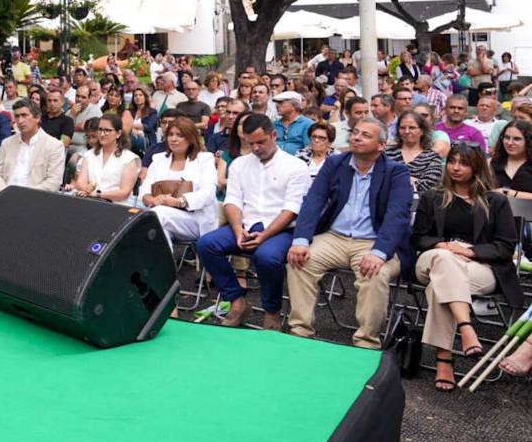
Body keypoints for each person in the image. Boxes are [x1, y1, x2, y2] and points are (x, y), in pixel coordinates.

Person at [286, 119, 412, 348]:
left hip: (374, 241)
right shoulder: (336, 163)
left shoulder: (397, 172)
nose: (356, 137)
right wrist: (301, 240)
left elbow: (398, 216)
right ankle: (300, 331)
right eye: (355, 133)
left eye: (365, 135)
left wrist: (379, 252)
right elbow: (313, 200)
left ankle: (366, 341)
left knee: (375, 273)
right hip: (335, 237)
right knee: (299, 260)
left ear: (382, 145)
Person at [412, 145, 525, 390]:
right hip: (433, 259)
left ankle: (444, 360)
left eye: (463, 163)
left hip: (480, 266)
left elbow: (506, 246)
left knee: (438, 287)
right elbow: (418, 237)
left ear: (476, 168)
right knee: (444, 261)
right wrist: (443, 245)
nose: (455, 168)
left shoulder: (495, 201)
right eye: (452, 161)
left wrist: (469, 251)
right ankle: (466, 327)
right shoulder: (432, 196)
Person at [196, 114, 311, 330]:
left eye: (261, 142)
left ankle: (272, 312)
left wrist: (264, 236)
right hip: (246, 224)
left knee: (266, 257)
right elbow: (232, 201)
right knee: (206, 244)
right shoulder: (239, 164)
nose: (256, 148)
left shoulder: (296, 166)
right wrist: (238, 229)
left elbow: (292, 209)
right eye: (251, 143)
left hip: (281, 229)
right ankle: (237, 301)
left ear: (274, 135)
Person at [139, 116, 218, 246]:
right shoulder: (158, 160)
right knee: (158, 228)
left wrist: (179, 202)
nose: (173, 139)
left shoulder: (204, 159)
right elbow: (144, 190)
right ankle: (162, 265)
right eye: (170, 134)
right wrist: (153, 200)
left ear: (190, 138)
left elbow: (208, 194)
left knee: (155, 216)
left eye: (180, 135)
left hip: (196, 219)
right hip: (163, 216)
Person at [67, 113, 140, 205]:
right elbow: (80, 182)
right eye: (100, 129)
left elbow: (124, 193)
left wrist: (97, 194)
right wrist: (86, 188)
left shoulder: (129, 159)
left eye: (107, 130)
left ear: (118, 134)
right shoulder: (89, 155)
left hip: (117, 207)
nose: (102, 134)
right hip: (90, 202)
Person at [386, 112, 444, 195]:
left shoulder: (432, 157)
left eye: (412, 128)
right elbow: (379, 178)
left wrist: (395, 180)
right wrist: (411, 179)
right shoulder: (387, 153)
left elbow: (428, 185)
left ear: (422, 131)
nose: (406, 131)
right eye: (402, 128)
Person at [490, 120, 532, 201]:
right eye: (506, 137)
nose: (509, 143)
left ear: (528, 141)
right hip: (496, 212)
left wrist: (509, 193)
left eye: (517, 139)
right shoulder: (492, 163)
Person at [272, 91, 312, 155]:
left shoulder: (307, 124)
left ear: (294, 105)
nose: (277, 105)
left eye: (281, 102)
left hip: (298, 161)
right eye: (277, 103)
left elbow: (309, 149)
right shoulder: (274, 124)